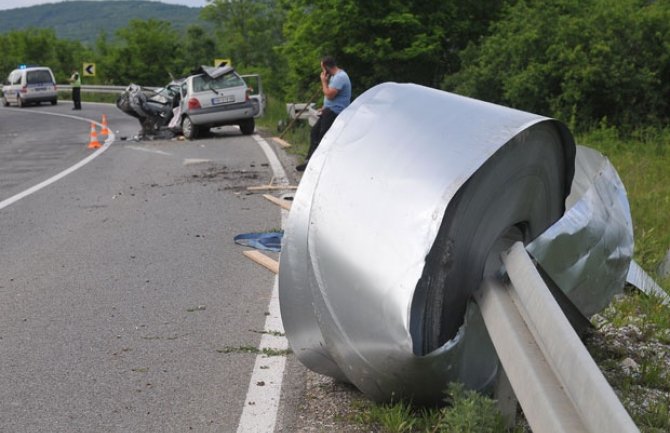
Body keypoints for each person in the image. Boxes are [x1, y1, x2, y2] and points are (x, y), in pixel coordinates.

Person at [296, 56, 351, 171]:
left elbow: (329, 94)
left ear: (326, 67)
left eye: (322, 68)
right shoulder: (334, 77)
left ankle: (320, 164)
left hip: (335, 112)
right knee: (315, 132)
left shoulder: (340, 77)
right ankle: (309, 161)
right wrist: (324, 106)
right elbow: (331, 97)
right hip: (328, 110)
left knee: (323, 137)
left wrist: (323, 81)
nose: (322, 71)